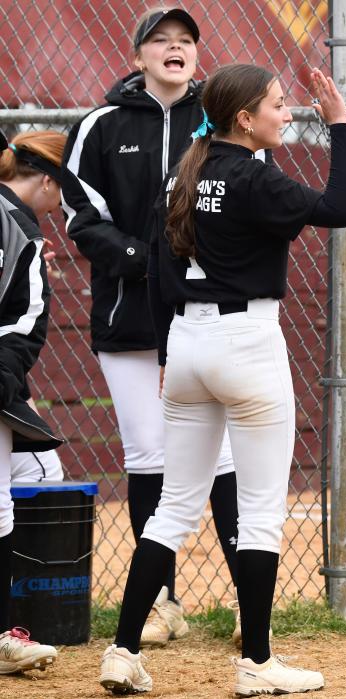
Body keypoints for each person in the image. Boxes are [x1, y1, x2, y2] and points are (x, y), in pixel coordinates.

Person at [96, 62, 346, 695]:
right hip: (246, 342)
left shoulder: (186, 171)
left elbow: (157, 271)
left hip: (185, 342)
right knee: (262, 512)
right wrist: (341, 125)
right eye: (277, 104)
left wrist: (165, 357)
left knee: (171, 510)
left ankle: (123, 652)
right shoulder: (252, 177)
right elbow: (341, 207)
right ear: (244, 118)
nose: (286, 112)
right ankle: (257, 665)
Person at [60, 6, 245, 647]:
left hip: (202, 309)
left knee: (221, 454)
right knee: (148, 452)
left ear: (198, 54)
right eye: (160, 41)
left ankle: (251, 602)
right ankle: (161, 602)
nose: (174, 49)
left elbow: (247, 193)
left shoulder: (218, 121)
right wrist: (143, 260)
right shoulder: (102, 125)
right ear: (137, 56)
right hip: (130, 312)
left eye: (185, 41)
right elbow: (79, 212)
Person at [0, 130, 67, 673]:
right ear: (46, 180)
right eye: (62, 188)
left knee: (39, 468)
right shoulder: (17, 224)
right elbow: (23, 321)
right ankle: (9, 626)